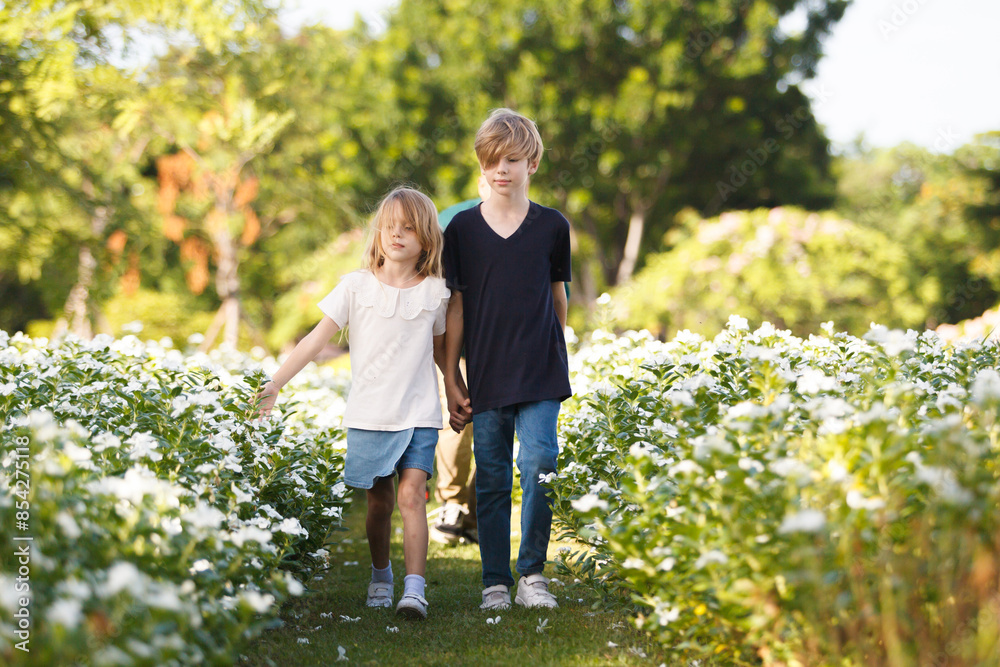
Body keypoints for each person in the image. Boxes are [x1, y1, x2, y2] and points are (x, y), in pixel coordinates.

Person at [255, 187, 450, 621]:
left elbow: (442, 352)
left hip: (419, 412)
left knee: (412, 495)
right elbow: (313, 341)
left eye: (408, 228)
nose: (396, 235)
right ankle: (381, 576)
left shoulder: (436, 293)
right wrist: (275, 384)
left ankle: (415, 590)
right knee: (378, 502)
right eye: (389, 227)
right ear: (377, 233)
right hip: (369, 413)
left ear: (426, 239)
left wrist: (456, 391)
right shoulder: (355, 287)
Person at [442, 108, 572, 611]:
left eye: (513, 160)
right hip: (487, 372)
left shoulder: (553, 226)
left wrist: (556, 350)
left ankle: (532, 575)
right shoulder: (462, 231)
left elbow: (558, 296)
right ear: (482, 164)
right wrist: (452, 377)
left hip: (540, 370)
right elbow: (455, 307)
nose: (503, 170)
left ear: (532, 163)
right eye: (493, 160)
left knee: (540, 462)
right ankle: (495, 581)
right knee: (492, 477)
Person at [428, 176, 493, 546]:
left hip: (504, 348)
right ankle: (452, 505)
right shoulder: (452, 218)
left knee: (494, 430)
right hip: (455, 347)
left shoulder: (529, 220)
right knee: (458, 424)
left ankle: (472, 508)